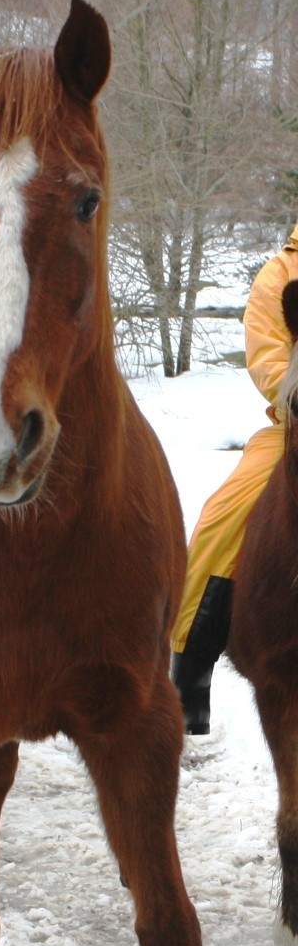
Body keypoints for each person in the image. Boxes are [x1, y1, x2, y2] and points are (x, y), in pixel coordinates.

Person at [171, 223, 298, 734]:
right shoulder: (280, 276)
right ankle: (190, 671)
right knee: (220, 520)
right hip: (293, 426)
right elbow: (268, 355)